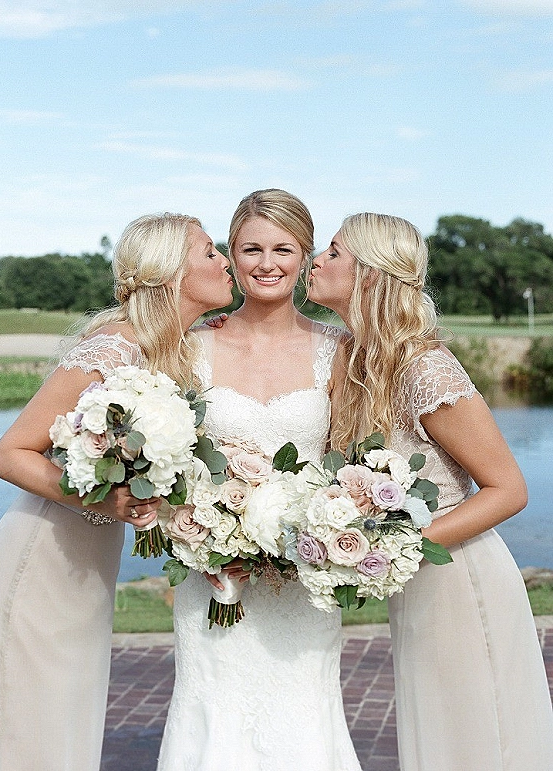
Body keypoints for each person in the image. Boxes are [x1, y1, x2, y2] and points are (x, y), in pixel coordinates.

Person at [0, 212, 233, 771]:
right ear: (171, 272)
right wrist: (105, 501)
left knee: (68, 722)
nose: (226, 261)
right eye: (211, 252)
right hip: (43, 554)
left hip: (90, 560)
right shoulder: (115, 345)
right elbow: (8, 454)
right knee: (22, 726)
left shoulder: (169, 350)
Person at [309, 211, 553, 770]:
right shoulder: (354, 360)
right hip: (411, 584)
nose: (316, 261)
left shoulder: (425, 368)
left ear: (370, 274)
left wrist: (397, 549)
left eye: (334, 252)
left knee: (477, 740)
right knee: (435, 738)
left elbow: (508, 489)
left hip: (459, 575)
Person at [157, 190, 363, 770]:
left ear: (305, 256)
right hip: (214, 574)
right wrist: (196, 535)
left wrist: (329, 534)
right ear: (232, 253)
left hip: (303, 577)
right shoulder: (191, 347)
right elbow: (167, 462)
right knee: (213, 713)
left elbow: (349, 465)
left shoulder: (338, 350)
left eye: (283, 249)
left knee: (304, 717)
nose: (266, 264)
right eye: (251, 249)